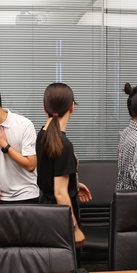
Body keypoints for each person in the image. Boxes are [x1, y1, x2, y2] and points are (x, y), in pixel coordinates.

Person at [36, 82, 92, 248]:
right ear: (72, 107)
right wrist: (75, 228)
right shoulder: (64, 144)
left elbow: (50, 173)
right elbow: (60, 193)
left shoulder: (41, 135)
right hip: (61, 216)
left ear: (44, 107)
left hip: (45, 211)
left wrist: (73, 183)